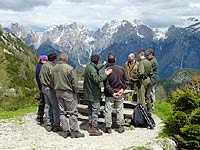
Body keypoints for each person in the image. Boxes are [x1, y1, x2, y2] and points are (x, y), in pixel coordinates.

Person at [51, 53, 84, 138]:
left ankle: (65, 130)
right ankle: (74, 131)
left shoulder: (53, 69)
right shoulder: (69, 68)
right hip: (67, 92)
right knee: (72, 112)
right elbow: (74, 82)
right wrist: (76, 91)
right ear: (65, 59)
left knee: (62, 112)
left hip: (58, 92)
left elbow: (51, 81)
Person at [83, 54, 112, 136]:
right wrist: (106, 73)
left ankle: (90, 125)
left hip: (88, 93)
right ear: (97, 60)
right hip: (94, 94)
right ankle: (94, 128)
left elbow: (96, 67)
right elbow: (97, 79)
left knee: (90, 110)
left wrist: (104, 64)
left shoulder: (89, 67)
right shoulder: (92, 70)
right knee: (95, 111)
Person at [104, 53, 128, 134]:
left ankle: (108, 127)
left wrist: (112, 93)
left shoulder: (107, 71)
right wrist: (122, 90)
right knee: (119, 109)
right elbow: (126, 81)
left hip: (109, 94)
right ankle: (120, 126)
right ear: (115, 60)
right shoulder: (121, 69)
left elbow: (106, 84)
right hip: (120, 93)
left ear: (107, 60)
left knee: (108, 110)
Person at [39, 52, 62, 132]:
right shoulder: (52, 68)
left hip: (43, 87)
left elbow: (40, 76)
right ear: (54, 59)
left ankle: (48, 124)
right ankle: (56, 125)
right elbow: (53, 80)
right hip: (50, 88)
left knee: (47, 106)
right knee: (55, 107)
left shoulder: (43, 66)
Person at [35, 55, 48, 124]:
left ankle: (40, 117)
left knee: (42, 102)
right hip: (42, 86)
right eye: (44, 60)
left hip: (41, 86)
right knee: (43, 102)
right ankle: (40, 117)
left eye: (46, 60)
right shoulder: (41, 67)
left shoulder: (38, 66)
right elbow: (40, 78)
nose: (45, 61)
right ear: (41, 60)